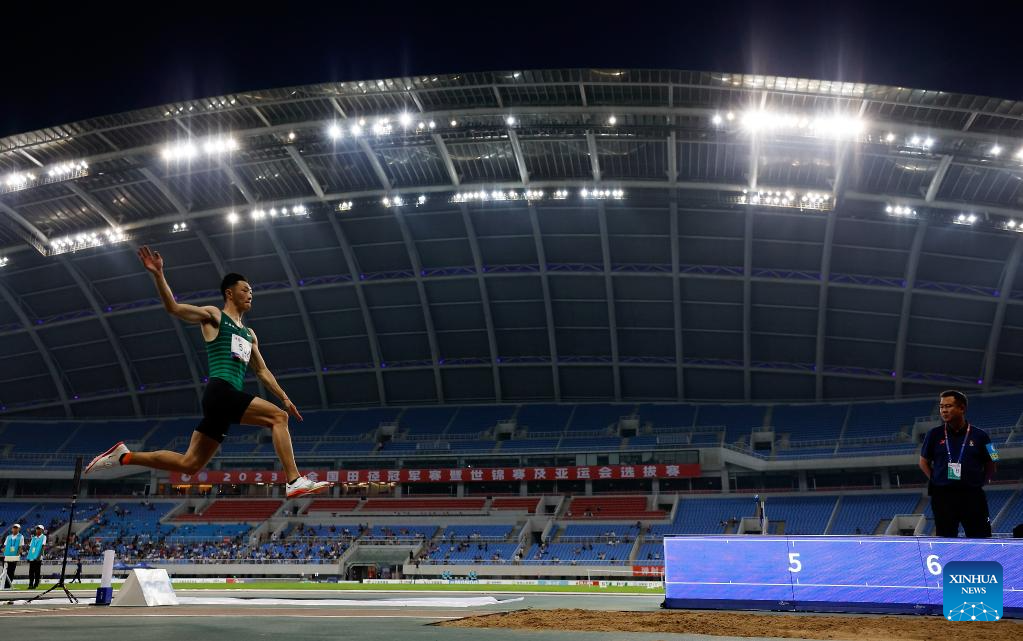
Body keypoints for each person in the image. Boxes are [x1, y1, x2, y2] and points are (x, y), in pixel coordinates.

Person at [85, 246, 332, 499]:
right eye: (245, 290)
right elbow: (174, 308)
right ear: (229, 293)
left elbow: (262, 371)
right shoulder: (215, 316)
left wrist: (285, 397)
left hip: (223, 403)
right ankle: (293, 480)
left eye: (251, 291)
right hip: (220, 391)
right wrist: (158, 274)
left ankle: (123, 457)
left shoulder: (249, 334)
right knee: (278, 418)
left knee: (190, 465)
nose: (250, 294)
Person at [919, 390, 997, 538]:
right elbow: (923, 462)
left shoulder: (982, 435)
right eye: (941, 407)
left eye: (948, 406)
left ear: (962, 408)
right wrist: (935, 479)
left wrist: (981, 482)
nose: (944, 410)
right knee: (945, 539)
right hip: (943, 496)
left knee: (981, 537)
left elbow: (993, 461)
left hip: (972, 495)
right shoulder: (933, 434)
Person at [2, 523, 24, 589]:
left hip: (14, 557)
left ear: (19, 529)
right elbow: (5, 546)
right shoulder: (8, 537)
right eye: (14, 528)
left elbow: (20, 547)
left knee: (11, 571)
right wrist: (4, 554)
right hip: (7, 556)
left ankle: (8, 586)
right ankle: (3, 585)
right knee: (5, 571)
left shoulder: (21, 536)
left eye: (16, 528)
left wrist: (17, 556)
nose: (14, 529)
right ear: (12, 529)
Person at [26, 525, 46, 589]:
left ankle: (36, 584)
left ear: (42, 530)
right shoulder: (33, 538)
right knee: (31, 571)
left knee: (37, 571)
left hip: (38, 556)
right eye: (37, 529)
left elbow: (43, 547)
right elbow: (31, 548)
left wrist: (39, 556)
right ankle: (30, 584)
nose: (37, 530)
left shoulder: (43, 537)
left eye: (39, 529)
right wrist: (28, 556)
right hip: (32, 556)